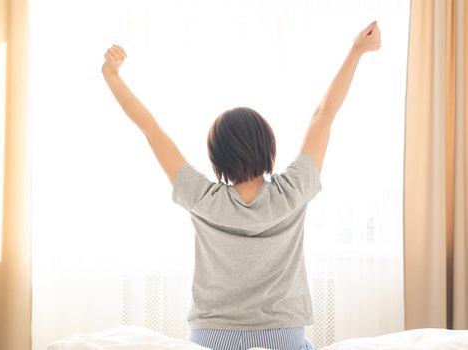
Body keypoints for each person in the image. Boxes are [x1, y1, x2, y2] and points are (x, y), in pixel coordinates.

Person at [102, 20, 381, 350]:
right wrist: (356, 51)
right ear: (267, 146)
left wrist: (112, 76)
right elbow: (324, 115)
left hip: (211, 338)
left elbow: (152, 131)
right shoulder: (293, 191)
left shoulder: (202, 198)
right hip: (283, 336)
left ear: (217, 156)